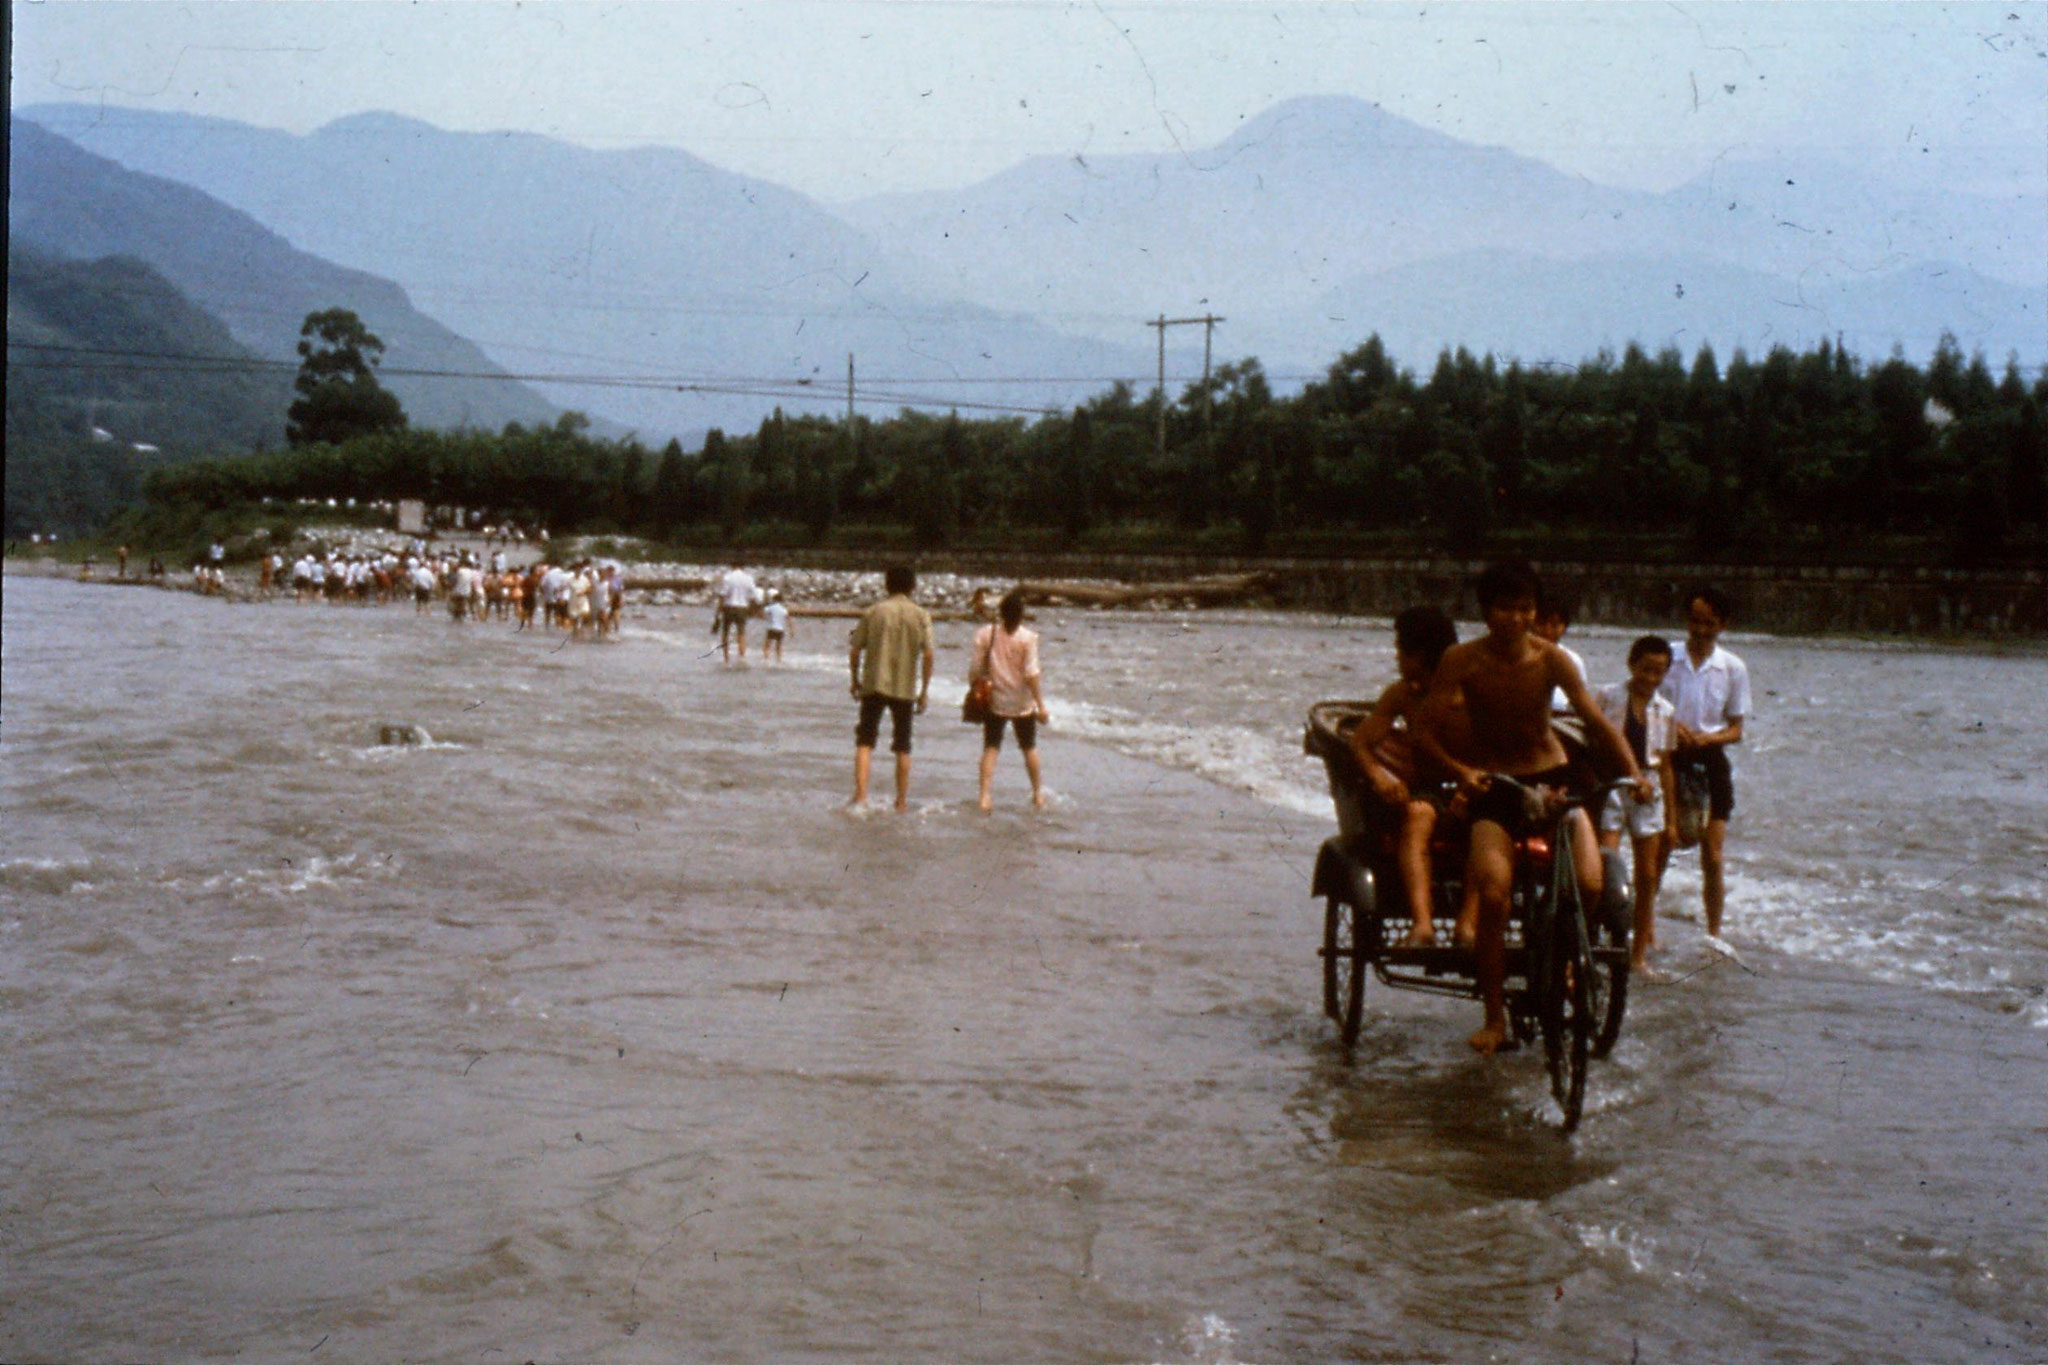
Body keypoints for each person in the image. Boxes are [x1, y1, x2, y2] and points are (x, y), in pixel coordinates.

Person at [1415, 560, 1654, 1056]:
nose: (1517, 619)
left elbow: (1594, 721)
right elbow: (1424, 731)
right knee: (1495, 894)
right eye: (1507, 609)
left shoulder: (1553, 661)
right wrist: (1460, 772)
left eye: (1526, 609)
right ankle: (1495, 1017)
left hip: (1552, 781)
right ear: (1487, 612)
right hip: (1495, 786)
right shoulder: (1462, 661)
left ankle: (1565, 964)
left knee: (1590, 883)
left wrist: (1636, 772)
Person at [1348, 606, 1461, 947]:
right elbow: (1361, 743)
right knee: (1416, 818)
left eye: (1400, 649)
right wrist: (1379, 777)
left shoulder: (1468, 691)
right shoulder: (1402, 694)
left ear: (1420, 654)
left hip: (1473, 786)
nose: (1396, 656)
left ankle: (1469, 926)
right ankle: (1423, 924)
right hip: (1428, 790)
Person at [1656, 586, 1751, 941]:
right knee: (1663, 846)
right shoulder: (1667, 657)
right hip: (1669, 756)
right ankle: (1645, 928)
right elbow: (1646, 703)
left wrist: (1707, 738)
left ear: (1722, 625)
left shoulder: (1733, 668)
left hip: (1711, 760)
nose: (1700, 631)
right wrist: (1674, 727)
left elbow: (1737, 728)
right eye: (1695, 622)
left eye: (1709, 624)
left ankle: (1714, 934)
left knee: (1712, 854)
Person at [1595, 636, 1679, 975]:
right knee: (1606, 865)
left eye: (1659, 672)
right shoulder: (1607, 697)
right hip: (1611, 785)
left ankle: (1639, 954)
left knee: (1647, 876)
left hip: (1649, 788)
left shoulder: (1666, 710)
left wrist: (1672, 820)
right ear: (1632, 666)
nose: (1651, 678)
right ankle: (1599, 939)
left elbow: (1667, 766)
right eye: (1645, 669)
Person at [848, 565, 934, 811]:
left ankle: (861, 796)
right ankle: (901, 800)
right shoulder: (921, 616)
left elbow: (855, 650)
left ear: (887, 585)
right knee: (903, 745)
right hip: (905, 686)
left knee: (865, 740)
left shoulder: (874, 612)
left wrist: (854, 679)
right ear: (912, 586)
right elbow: (929, 655)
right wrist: (924, 690)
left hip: (874, 683)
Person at [971, 589, 1051, 811]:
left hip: (995, 700)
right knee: (1029, 748)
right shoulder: (1028, 638)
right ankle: (1037, 794)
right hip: (1022, 703)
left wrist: (974, 686)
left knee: (991, 747)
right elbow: (1031, 673)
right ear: (1021, 615)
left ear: (1001, 613)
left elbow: (976, 668)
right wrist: (1041, 705)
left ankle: (985, 796)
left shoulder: (986, 634)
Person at [1535, 593, 1585, 714]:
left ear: (1564, 628)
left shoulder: (1572, 660)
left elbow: (1579, 704)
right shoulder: (1517, 656)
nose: (1547, 631)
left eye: (1554, 625)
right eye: (1541, 624)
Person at [716, 561, 758, 661]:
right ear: (742, 567)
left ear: (732, 566)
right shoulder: (748, 578)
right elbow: (753, 596)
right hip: (742, 607)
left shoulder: (728, 577)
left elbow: (722, 595)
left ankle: (726, 658)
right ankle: (741, 657)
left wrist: (717, 613)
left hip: (729, 607)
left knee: (725, 633)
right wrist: (752, 610)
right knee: (741, 633)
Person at [760, 590, 790, 661]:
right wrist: (792, 630)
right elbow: (789, 620)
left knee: (766, 646)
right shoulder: (784, 610)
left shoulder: (771, 607)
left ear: (774, 600)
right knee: (778, 647)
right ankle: (779, 660)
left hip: (772, 628)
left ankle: (766, 659)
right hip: (780, 630)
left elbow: (762, 613)